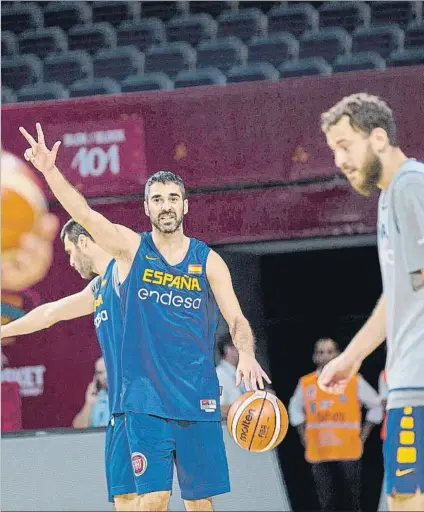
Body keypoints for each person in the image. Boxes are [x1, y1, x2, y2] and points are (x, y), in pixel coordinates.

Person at [19, 123, 270, 512]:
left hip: (196, 397)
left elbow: (236, 318)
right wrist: (50, 171)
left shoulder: (208, 261)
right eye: (157, 199)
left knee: (201, 503)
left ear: (185, 205)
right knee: (151, 500)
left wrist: (248, 354)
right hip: (145, 401)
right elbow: (83, 214)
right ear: (147, 207)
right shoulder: (130, 251)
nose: (166, 205)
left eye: (173, 198)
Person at [318, 93, 424, 512]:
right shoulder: (390, 196)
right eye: (334, 151)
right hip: (408, 379)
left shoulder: (410, 186)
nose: (340, 160)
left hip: (419, 382)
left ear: (378, 138)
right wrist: (352, 357)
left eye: (346, 145)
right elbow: (401, 296)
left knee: (405, 498)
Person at [1, 219, 137, 509]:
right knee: (125, 500)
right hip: (120, 412)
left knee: (153, 499)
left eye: (70, 251)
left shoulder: (126, 270)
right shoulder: (98, 288)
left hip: (144, 407)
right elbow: (49, 313)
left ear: (85, 242)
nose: (71, 261)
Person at [289, 337, 382, 511]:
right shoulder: (306, 383)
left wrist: (364, 434)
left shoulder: (353, 380)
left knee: (352, 502)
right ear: (315, 357)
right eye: (321, 352)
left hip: (348, 451)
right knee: (327, 503)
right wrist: (303, 435)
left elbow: (376, 406)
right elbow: (294, 409)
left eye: (330, 352)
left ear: (338, 355)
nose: (326, 356)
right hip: (320, 452)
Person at [73, 357, 109, 428]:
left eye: (108, 370)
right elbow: (78, 428)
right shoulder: (96, 397)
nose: (105, 376)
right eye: (100, 372)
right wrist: (88, 403)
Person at [216, 333, 246, 419]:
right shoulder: (219, 375)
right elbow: (217, 408)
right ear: (228, 349)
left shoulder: (241, 375)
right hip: (226, 429)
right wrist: (246, 408)